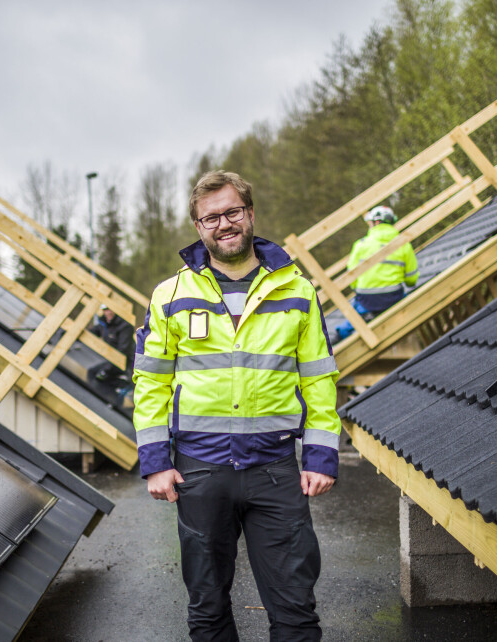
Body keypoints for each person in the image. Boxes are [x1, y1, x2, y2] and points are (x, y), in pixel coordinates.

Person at [132, 170, 341, 641]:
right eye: (211, 218)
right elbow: (151, 383)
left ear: (250, 214)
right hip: (200, 471)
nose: (223, 224)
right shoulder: (170, 295)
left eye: (232, 212)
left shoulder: (297, 290)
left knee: (296, 610)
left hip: (275, 469)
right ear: (198, 226)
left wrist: (321, 456)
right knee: (207, 610)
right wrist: (155, 463)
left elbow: (319, 379)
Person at [335, 205, 419, 341]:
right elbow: (411, 280)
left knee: (355, 315)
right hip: (393, 297)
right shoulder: (403, 244)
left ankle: (340, 335)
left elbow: (352, 280)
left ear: (377, 222)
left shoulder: (360, 245)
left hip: (367, 300)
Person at [87, 304, 135, 384]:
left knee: (102, 377)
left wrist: (107, 369)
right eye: (105, 310)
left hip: (126, 364)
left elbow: (123, 350)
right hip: (112, 361)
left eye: (110, 309)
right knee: (92, 372)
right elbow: (91, 333)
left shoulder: (125, 326)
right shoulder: (104, 324)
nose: (108, 312)